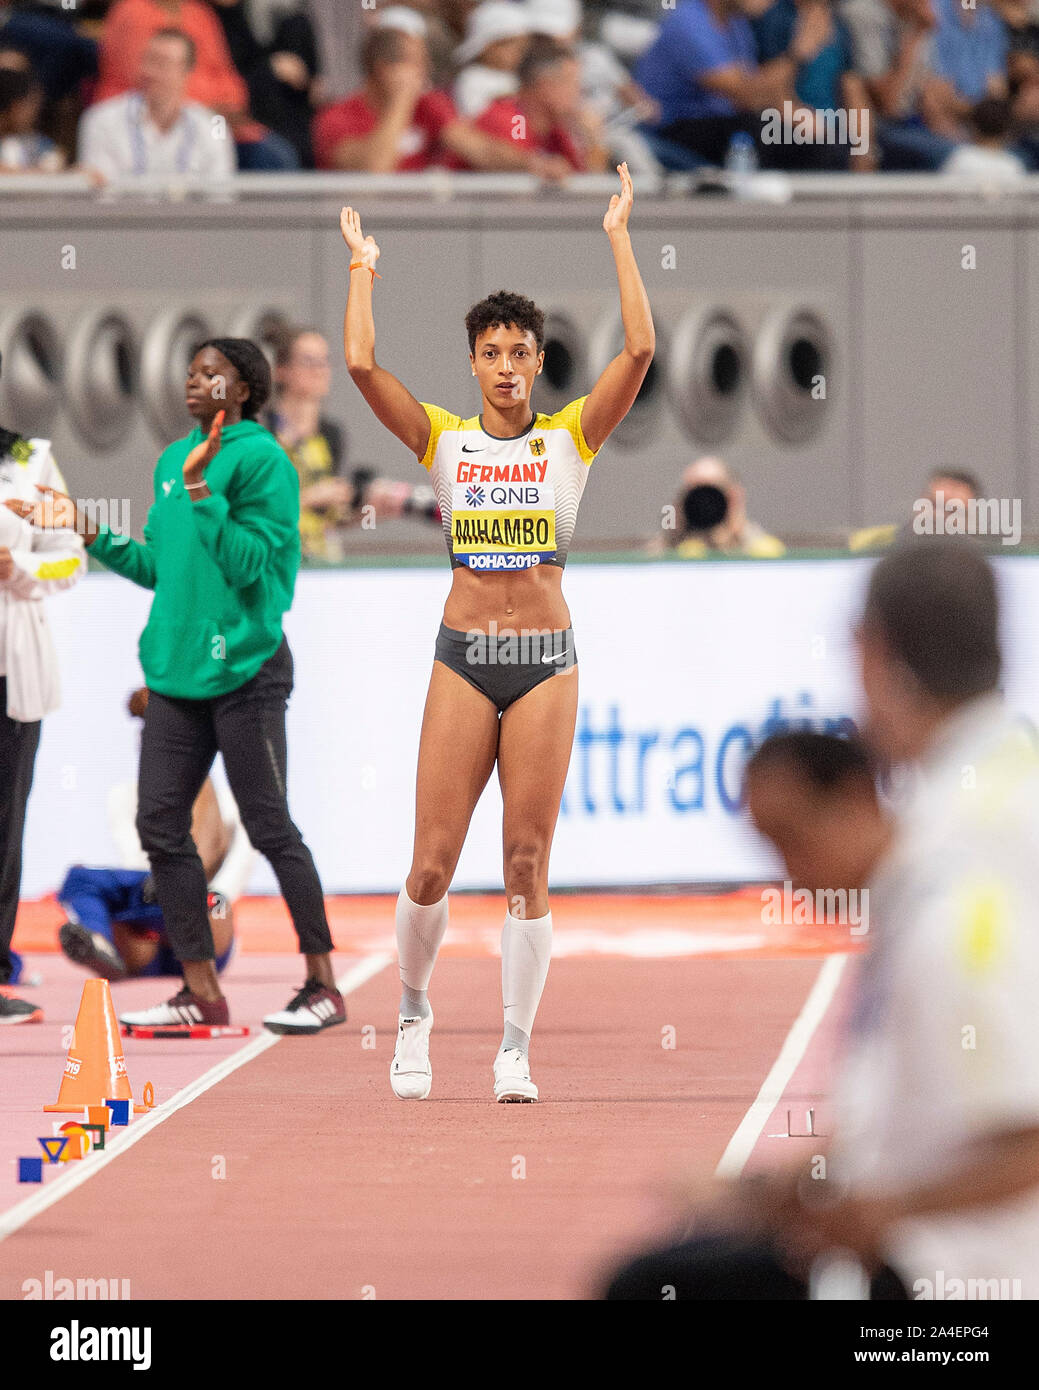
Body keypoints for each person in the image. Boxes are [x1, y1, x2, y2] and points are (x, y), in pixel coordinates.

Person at [607, 540, 1039, 1300]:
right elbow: (928, 1120)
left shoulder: (952, 851)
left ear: (873, 655)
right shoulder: (990, 798)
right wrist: (792, 1188)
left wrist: (874, 1211)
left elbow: (1022, 1133)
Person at [340, 162, 654, 1103]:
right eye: (492, 352)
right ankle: (412, 1014)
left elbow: (638, 351)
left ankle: (514, 1046)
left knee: (526, 860)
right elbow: (360, 366)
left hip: (545, 664)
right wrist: (362, 266)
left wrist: (618, 236)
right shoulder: (445, 440)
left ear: (537, 362)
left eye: (522, 351)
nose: (508, 366)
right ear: (472, 363)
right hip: (465, 660)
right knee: (430, 864)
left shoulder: (570, 439)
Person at [13, 338, 344, 1036]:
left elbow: (255, 566)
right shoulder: (171, 460)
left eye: (210, 373)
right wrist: (82, 526)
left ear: (244, 389)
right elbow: (157, 566)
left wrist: (202, 492)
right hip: (176, 674)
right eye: (191, 371)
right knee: (160, 826)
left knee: (269, 826)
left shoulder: (261, 462)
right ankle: (200, 990)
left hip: (246, 670)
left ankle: (321, 983)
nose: (193, 381)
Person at [0, 350, 86, 1024]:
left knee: (5, 824)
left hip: (13, 671)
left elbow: (72, 556)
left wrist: (20, 564)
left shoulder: (29, 460)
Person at [57, 686, 252, 981]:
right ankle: (98, 941)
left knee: (210, 900)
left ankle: (106, 934)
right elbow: (138, 866)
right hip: (147, 919)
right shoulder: (124, 796)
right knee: (82, 878)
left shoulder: (228, 802)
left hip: (208, 909)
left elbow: (232, 881)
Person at [313, 21, 567, 177]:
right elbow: (375, 170)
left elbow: (481, 149)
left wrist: (534, 164)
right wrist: (401, 100)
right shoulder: (336, 118)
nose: (426, 71)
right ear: (383, 68)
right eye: (417, 62)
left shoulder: (430, 106)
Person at [633, 0, 848, 169]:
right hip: (674, 129)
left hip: (724, 125)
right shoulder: (688, 20)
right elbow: (745, 93)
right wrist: (799, 53)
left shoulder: (736, 25)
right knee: (757, 131)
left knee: (824, 140)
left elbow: (761, 88)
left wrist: (803, 119)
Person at [94, 0, 298, 170]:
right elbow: (149, 79)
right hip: (144, 121)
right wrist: (205, 108)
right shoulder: (131, 11)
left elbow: (227, 75)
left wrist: (228, 107)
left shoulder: (200, 13)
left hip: (218, 121)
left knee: (276, 154)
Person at [77, 28, 235, 183]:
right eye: (148, 60)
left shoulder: (213, 125)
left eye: (162, 63)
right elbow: (101, 196)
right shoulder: (101, 119)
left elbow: (220, 198)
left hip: (192, 209)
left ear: (187, 71)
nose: (149, 71)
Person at [475, 36, 609, 173]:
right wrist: (537, 165)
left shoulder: (556, 133)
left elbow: (589, 184)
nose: (579, 92)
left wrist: (594, 142)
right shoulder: (512, 118)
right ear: (544, 85)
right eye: (571, 82)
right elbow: (510, 159)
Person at [649, 455, 785, 557]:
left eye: (711, 495)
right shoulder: (668, 551)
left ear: (733, 497)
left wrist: (732, 535)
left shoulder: (764, 552)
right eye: (695, 496)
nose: (703, 505)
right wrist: (673, 535)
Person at [848, 467, 980, 551]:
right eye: (933, 505)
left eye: (951, 511)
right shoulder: (870, 543)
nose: (938, 517)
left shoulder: (988, 558)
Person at [452, 0, 532, 120]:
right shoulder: (472, 79)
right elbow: (473, 118)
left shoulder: (515, 78)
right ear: (486, 46)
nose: (518, 53)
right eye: (510, 46)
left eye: (521, 48)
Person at [0, 64, 64, 172]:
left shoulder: (39, 144)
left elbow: (55, 162)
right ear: (15, 107)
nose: (36, 111)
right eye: (30, 104)